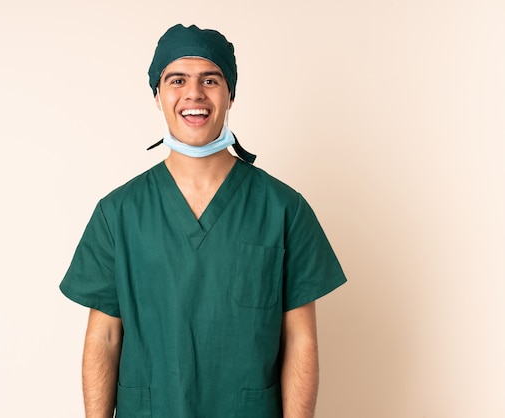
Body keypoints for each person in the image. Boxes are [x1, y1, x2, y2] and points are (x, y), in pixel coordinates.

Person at [60, 23, 347, 418]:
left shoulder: (283, 209)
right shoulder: (119, 213)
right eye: (177, 80)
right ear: (157, 95)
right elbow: (104, 338)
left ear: (230, 93)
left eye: (210, 80)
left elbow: (300, 339)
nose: (194, 93)